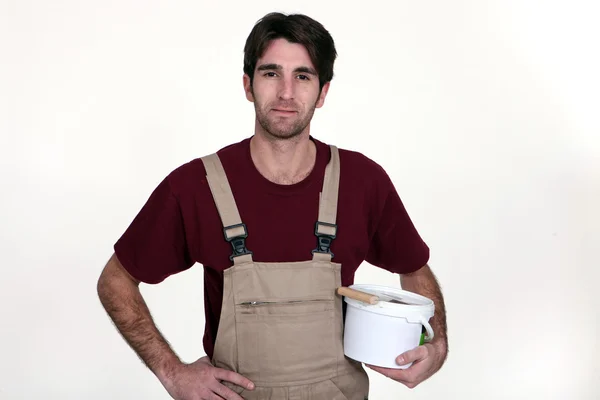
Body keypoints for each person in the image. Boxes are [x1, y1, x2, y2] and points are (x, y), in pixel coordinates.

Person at [97, 11, 448, 400]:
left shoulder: (363, 182)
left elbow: (415, 271)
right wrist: (172, 372)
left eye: (302, 76)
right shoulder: (195, 187)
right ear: (248, 85)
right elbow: (115, 280)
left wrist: (436, 345)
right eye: (270, 73)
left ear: (323, 91)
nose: (286, 92)